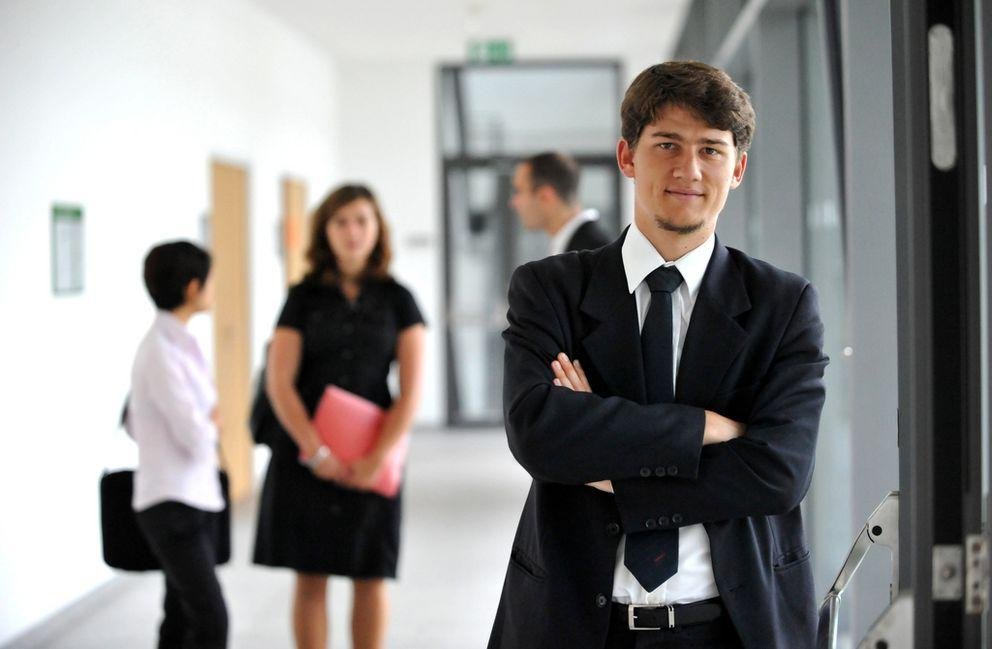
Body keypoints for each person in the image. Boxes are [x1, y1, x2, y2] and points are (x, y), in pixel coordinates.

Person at [489, 61, 828, 649]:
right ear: (627, 157)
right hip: (577, 623)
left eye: (711, 151)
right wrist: (706, 428)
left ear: (739, 168)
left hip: (735, 627)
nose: (688, 169)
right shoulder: (549, 290)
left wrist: (609, 464)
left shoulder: (783, 304)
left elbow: (779, 472)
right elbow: (539, 434)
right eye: (667, 144)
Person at [253, 184, 426, 649]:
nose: (352, 232)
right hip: (305, 453)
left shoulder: (399, 299)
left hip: (374, 452)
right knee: (310, 577)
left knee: (370, 574)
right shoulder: (302, 297)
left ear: (377, 229)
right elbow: (279, 382)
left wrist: (376, 457)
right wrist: (315, 450)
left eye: (362, 221)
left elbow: (411, 392)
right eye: (341, 222)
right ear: (324, 231)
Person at [127, 240, 228, 649]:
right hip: (172, 504)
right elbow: (197, 438)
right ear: (192, 287)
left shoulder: (179, 343)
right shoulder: (160, 353)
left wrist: (207, 422)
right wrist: (214, 420)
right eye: (210, 281)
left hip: (190, 497)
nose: (213, 288)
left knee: (180, 615)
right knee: (210, 620)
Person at [510, 151, 613, 255]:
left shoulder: (594, 254)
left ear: (545, 196)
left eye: (518, 191)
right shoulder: (579, 247)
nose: (513, 203)